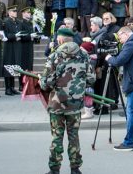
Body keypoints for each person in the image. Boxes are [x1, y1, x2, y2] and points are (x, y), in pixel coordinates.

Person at [40, 26, 91, 174]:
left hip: (57, 103)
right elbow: (91, 78)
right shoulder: (84, 54)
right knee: (74, 136)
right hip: (75, 104)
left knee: (57, 136)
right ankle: (75, 169)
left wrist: (41, 80)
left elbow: (45, 83)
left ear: (61, 39)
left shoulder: (55, 56)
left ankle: (54, 169)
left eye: (57, 38)